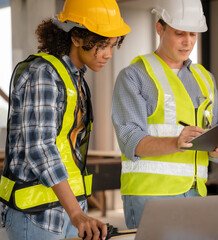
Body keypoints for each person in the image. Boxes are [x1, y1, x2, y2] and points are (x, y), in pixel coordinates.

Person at [0, 0, 130, 239]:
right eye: (101, 45)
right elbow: (40, 148)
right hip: (37, 214)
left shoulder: (75, 77)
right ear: (76, 38)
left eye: (112, 45)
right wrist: (76, 213)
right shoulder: (44, 74)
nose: (108, 54)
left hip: (68, 209)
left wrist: (78, 210)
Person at [111, 0, 218, 229]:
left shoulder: (204, 78)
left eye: (193, 34)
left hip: (196, 193)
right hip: (150, 195)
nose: (188, 42)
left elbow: (214, 138)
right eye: (180, 33)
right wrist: (176, 142)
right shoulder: (134, 76)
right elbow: (130, 141)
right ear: (160, 28)